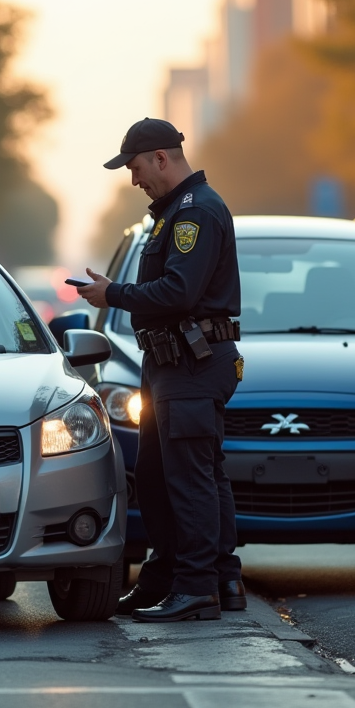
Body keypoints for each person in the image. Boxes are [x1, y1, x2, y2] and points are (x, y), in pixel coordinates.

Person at [77, 117, 244, 622]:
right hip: (172, 364)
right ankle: (199, 576)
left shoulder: (195, 214)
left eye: (134, 167)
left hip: (190, 364)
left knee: (189, 479)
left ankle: (196, 589)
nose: (133, 179)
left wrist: (114, 294)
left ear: (161, 158)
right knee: (166, 475)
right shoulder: (175, 214)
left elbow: (180, 292)